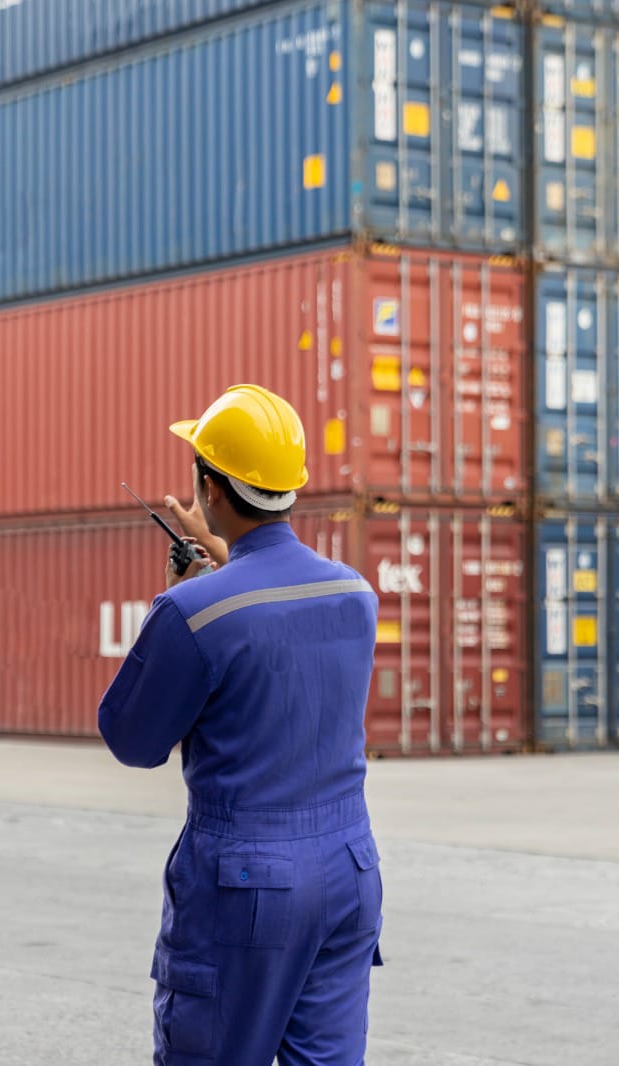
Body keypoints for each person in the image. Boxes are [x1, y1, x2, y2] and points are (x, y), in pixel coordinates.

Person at [98, 384, 384, 1065]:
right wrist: (223, 570)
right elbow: (277, 622)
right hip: (349, 869)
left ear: (209, 488)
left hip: (247, 885)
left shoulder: (192, 613)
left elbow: (132, 740)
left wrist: (179, 595)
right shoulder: (356, 595)